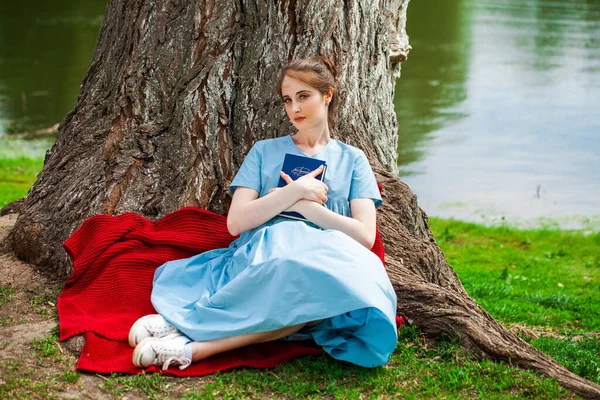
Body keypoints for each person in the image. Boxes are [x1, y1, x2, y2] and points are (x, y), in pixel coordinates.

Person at [128, 56, 398, 371]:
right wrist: (292, 192)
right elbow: (236, 223)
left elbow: (365, 236)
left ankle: (193, 344)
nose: (294, 108)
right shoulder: (264, 151)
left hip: (331, 260)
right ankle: (188, 333)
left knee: (316, 283)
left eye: (303, 96)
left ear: (328, 94)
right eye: (287, 99)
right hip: (270, 253)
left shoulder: (353, 160)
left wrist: (304, 208)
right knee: (289, 269)